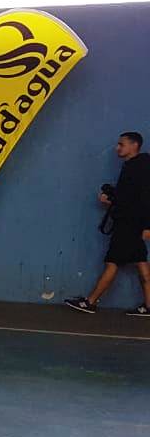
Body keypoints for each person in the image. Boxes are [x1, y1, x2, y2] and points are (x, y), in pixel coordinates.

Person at [64, 131, 150, 317]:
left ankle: (90, 302)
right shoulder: (135, 166)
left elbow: (145, 198)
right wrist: (113, 199)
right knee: (141, 263)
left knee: (112, 262)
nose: (117, 148)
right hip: (131, 223)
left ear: (134, 145)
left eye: (121, 144)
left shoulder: (138, 168)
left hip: (128, 225)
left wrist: (147, 226)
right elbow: (130, 198)